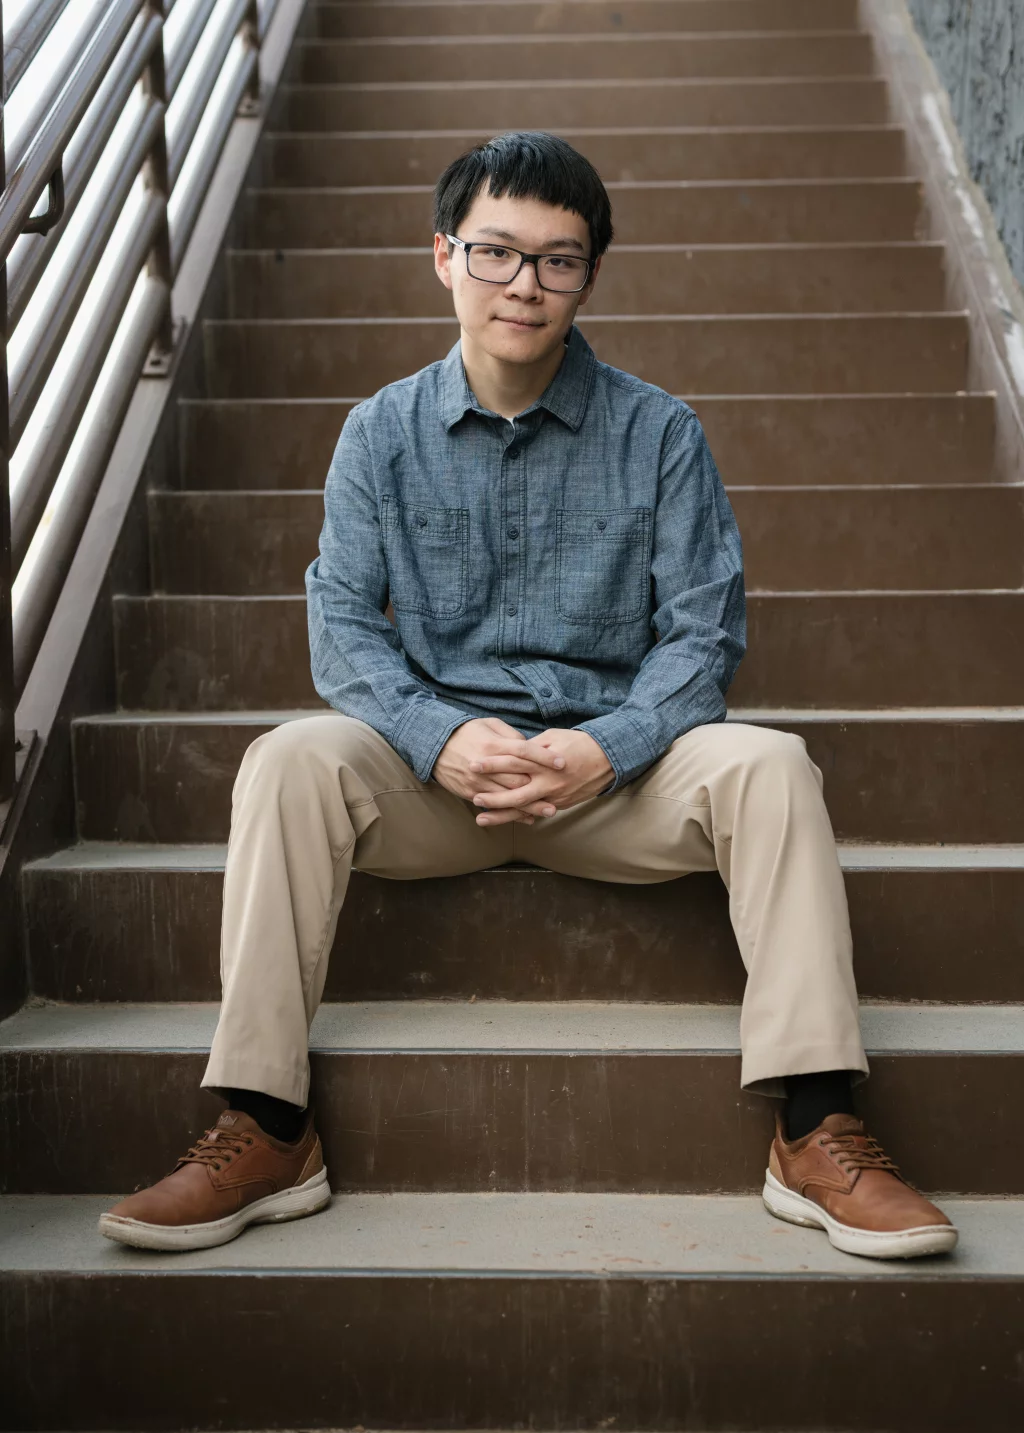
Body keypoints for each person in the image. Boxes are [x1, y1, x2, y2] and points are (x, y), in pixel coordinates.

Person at [100, 131, 957, 1260]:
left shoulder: (659, 433)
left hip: (615, 786)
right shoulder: (379, 433)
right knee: (290, 758)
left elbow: (704, 636)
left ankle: (815, 1124)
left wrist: (605, 747)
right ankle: (264, 1124)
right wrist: (442, 737)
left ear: (588, 276)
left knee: (770, 762)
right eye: (497, 252)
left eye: (558, 260)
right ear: (444, 257)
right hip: (433, 787)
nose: (524, 284)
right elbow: (346, 631)